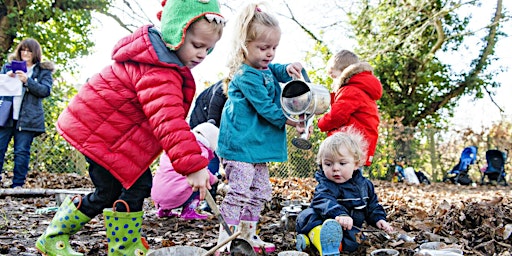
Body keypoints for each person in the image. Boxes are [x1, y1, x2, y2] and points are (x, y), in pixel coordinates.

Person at [35, 0, 225, 255]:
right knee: (128, 187)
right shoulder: (158, 69)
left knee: (112, 190)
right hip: (100, 135)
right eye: (197, 45)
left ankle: (115, 244)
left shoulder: (160, 63)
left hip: (108, 135)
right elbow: (168, 120)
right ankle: (104, 245)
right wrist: (193, 165)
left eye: (208, 49)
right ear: (175, 34)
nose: (202, 54)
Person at [215, 2, 305, 254]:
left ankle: (247, 235)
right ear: (245, 45)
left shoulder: (263, 69)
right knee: (240, 190)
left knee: (261, 191)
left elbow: (274, 70)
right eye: (264, 48)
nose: (270, 54)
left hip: (257, 147)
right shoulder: (245, 75)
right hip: (240, 145)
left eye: (274, 48)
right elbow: (265, 107)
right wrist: (290, 119)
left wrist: (287, 68)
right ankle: (225, 239)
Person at [295, 128, 393, 255]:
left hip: (349, 227)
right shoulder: (326, 184)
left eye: (342, 163)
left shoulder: (365, 185)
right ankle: (317, 234)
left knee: (356, 239)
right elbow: (324, 200)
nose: (335, 168)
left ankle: (330, 245)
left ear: (356, 164)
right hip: (324, 220)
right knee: (306, 216)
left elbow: (372, 206)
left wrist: (379, 219)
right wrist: (339, 214)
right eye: (328, 164)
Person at [0, 38, 54, 188]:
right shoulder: (8, 67)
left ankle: (17, 185)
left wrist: (27, 81)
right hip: (6, 115)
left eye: (29, 50)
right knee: (0, 147)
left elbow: (45, 90)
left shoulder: (42, 71)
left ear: (35, 52)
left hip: (28, 119)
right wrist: (7, 79)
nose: (25, 53)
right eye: (23, 49)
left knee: (21, 152)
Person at [317, 50, 382, 167]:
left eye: (334, 77)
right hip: (358, 144)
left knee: (341, 175)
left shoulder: (350, 90)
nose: (333, 82)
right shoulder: (361, 89)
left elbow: (337, 116)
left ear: (344, 72)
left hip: (348, 145)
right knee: (352, 175)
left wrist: (321, 122)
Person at [151, 122, 219, 220]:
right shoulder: (199, 150)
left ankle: (164, 210)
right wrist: (215, 179)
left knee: (174, 178)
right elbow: (201, 174)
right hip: (174, 197)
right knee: (201, 183)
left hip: (157, 195)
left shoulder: (175, 145)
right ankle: (188, 211)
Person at [189, 79, 227, 207]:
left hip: (218, 126)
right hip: (203, 124)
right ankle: (203, 200)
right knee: (210, 159)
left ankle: (207, 200)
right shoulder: (222, 87)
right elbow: (213, 117)